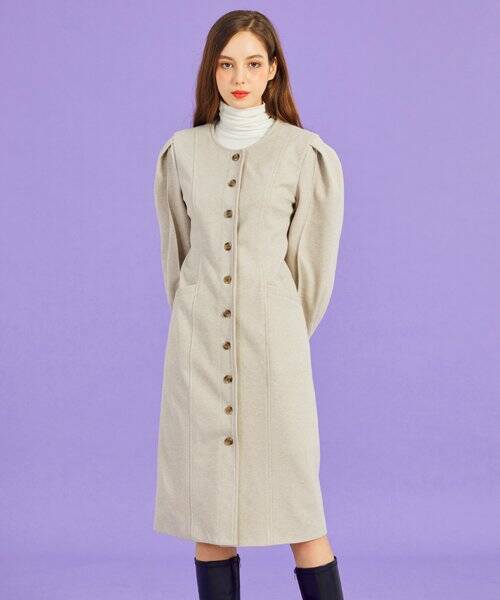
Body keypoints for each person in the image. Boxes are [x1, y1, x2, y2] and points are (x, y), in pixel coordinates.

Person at [153, 9, 345, 600]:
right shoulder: (181, 154)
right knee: (210, 522)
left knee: (300, 514)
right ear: (211, 71)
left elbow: (310, 273)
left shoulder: (303, 154)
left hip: (274, 356)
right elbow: (179, 263)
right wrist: (202, 318)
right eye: (226, 64)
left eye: (253, 63)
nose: (240, 77)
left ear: (273, 70)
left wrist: (275, 328)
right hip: (198, 361)